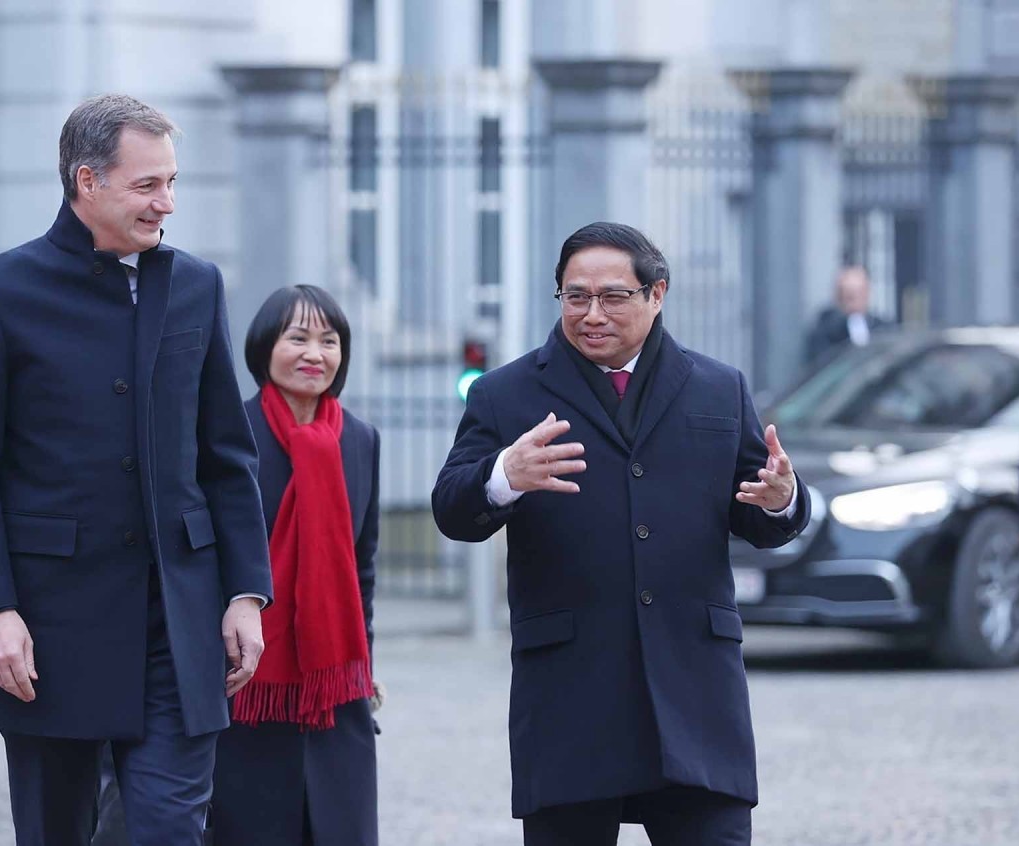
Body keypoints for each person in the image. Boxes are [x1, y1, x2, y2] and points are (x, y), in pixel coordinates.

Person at [0, 93, 272, 846]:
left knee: (167, 831)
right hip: (48, 629)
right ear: (88, 182)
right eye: (149, 185)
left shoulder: (196, 286)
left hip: (179, 625)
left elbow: (226, 455)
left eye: (173, 182)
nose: (168, 204)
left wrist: (247, 592)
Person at [431, 222, 810, 846]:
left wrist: (782, 500)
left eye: (613, 296)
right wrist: (503, 476)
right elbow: (451, 509)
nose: (591, 314)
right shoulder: (508, 393)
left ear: (656, 294)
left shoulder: (718, 387)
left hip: (694, 692)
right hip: (570, 695)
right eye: (575, 296)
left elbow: (761, 511)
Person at [210, 285, 381, 845]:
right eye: (298, 337)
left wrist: (363, 667)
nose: (315, 353)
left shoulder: (359, 440)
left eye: (329, 341)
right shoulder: (228, 433)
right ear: (264, 348)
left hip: (337, 693)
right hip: (249, 683)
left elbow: (362, 567)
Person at [802, 265, 888, 366]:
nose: (854, 300)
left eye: (859, 293)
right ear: (838, 296)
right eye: (849, 294)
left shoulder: (882, 328)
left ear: (867, 293)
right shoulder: (825, 331)